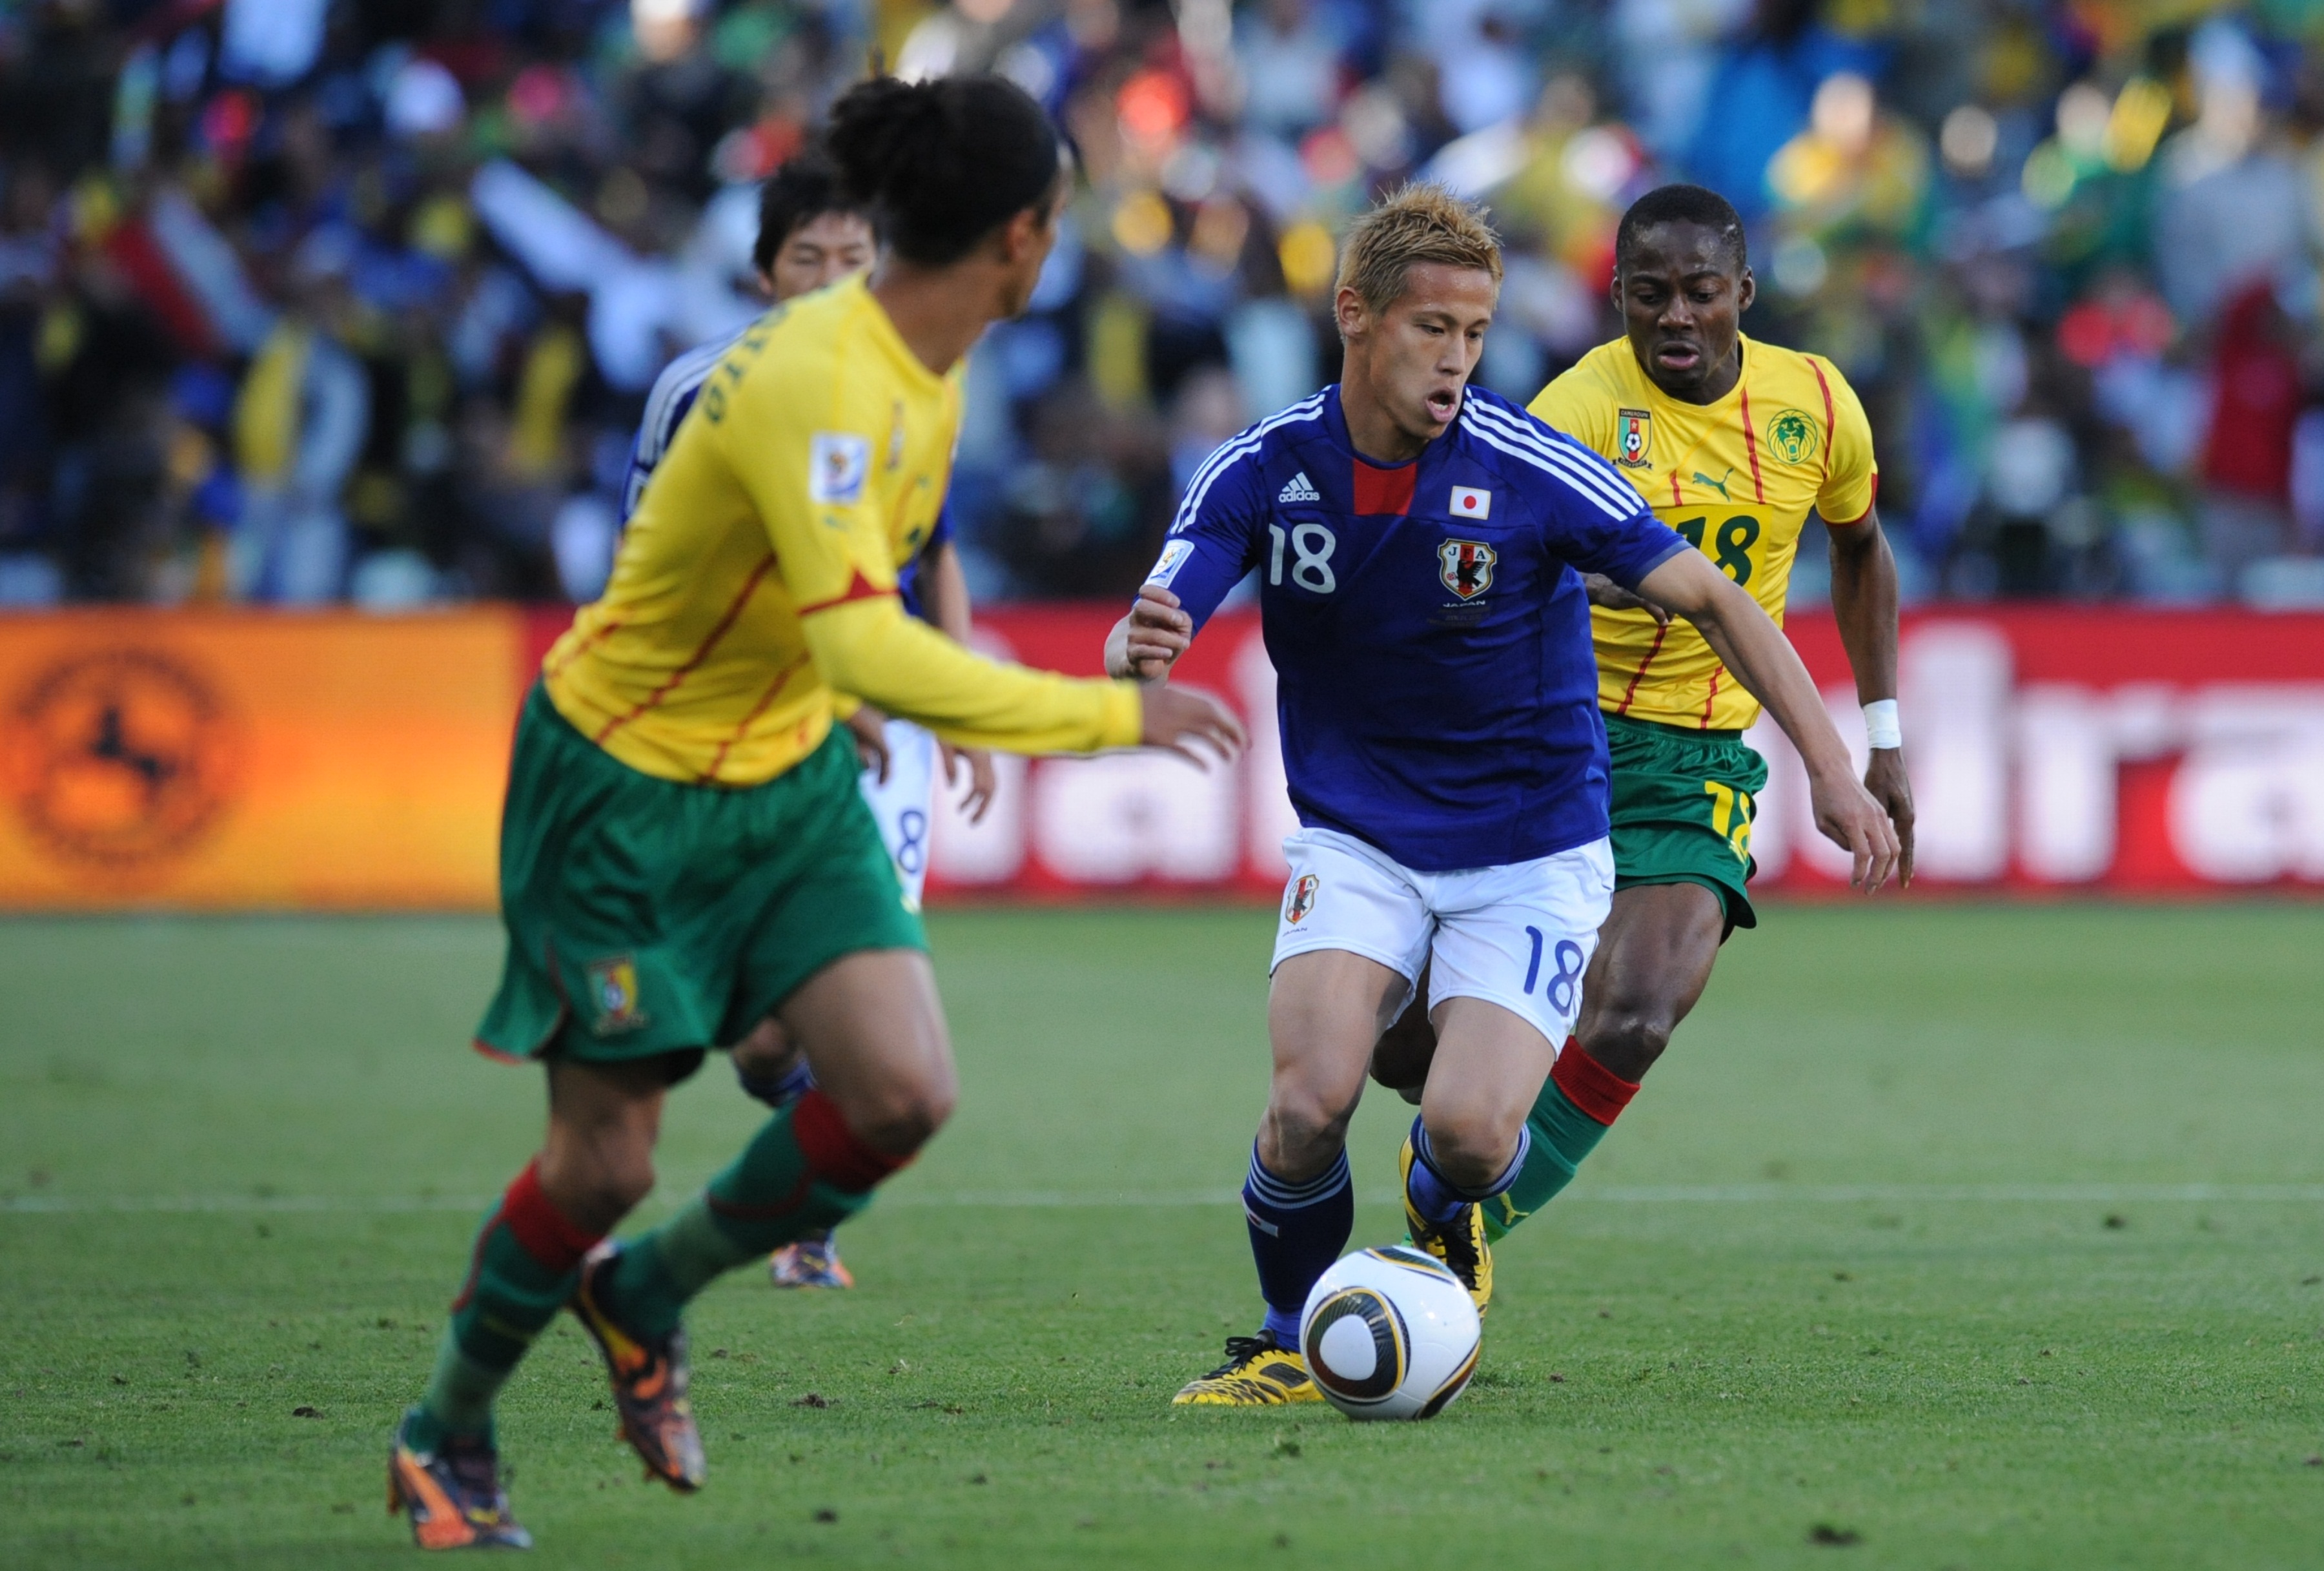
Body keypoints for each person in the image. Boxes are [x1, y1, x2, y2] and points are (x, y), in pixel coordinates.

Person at [387, 74, 1244, 1549]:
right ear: (1024, 236)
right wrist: (1103, 718)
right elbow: (862, 635)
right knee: (607, 1159)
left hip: (780, 770)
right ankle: (445, 1432)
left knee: (900, 1089)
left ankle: (643, 1293)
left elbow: (825, 601)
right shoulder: (816, 375)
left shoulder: (935, 361)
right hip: (625, 783)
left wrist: (853, 699)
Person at [1106, 183, 1897, 1406]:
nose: (1459, 363)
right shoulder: (1265, 467)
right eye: (1435, 332)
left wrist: (1835, 767)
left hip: (1531, 846)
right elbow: (1160, 608)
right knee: (1310, 1098)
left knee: (1474, 1134)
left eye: (1476, 337)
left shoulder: (1528, 464)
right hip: (1361, 836)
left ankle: (1442, 1200)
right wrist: (1136, 650)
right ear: (1355, 315)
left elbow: (1720, 599)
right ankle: (1281, 1338)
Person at [1367, 183, 1917, 1268]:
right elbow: (1494, 565)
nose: (1676, 317)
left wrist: (1880, 733)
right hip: (1549, 734)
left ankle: (1461, 1234)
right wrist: (1610, 586)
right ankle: (1456, 1139)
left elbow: (1859, 548)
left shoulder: (1816, 404)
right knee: (1402, 1040)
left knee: (1638, 1012)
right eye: (1650, 295)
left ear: (1743, 295)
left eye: (1701, 294)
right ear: (1616, 295)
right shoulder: (1573, 410)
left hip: (1695, 748)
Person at [620, 144, 995, 1294]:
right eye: (809, 256)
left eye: (856, 254)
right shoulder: (699, 392)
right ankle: (803, 1153)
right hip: (752, 724)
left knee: (856, 1014)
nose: (836, 274)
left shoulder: (921, 386)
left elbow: (931, 554)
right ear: (764, 274)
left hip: (888, 726)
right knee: (763, 1037)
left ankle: (812, 1222)